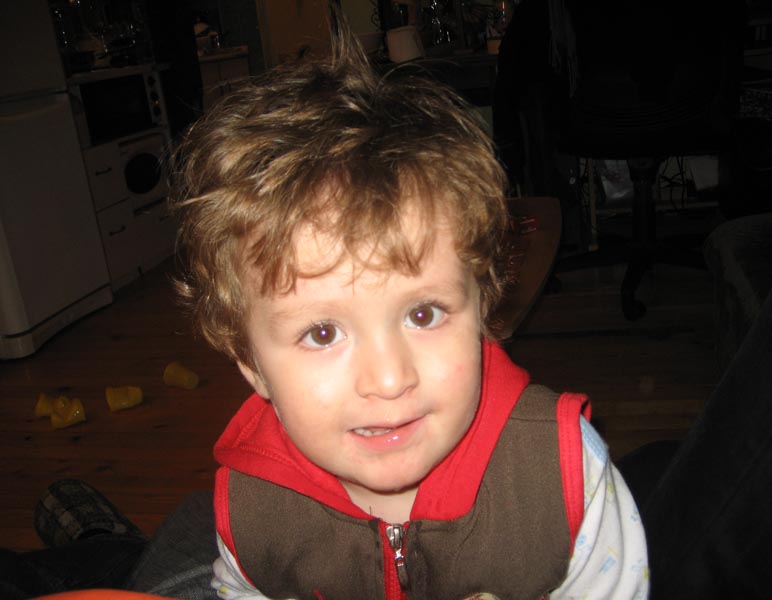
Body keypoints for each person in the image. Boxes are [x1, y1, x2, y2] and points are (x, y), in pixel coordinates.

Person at [167, 12, 648, 600]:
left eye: (423, 314)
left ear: (482, 305)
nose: (389, 379)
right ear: (251, 363)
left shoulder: (566, 475)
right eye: (322, 333)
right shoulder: (253, 506)